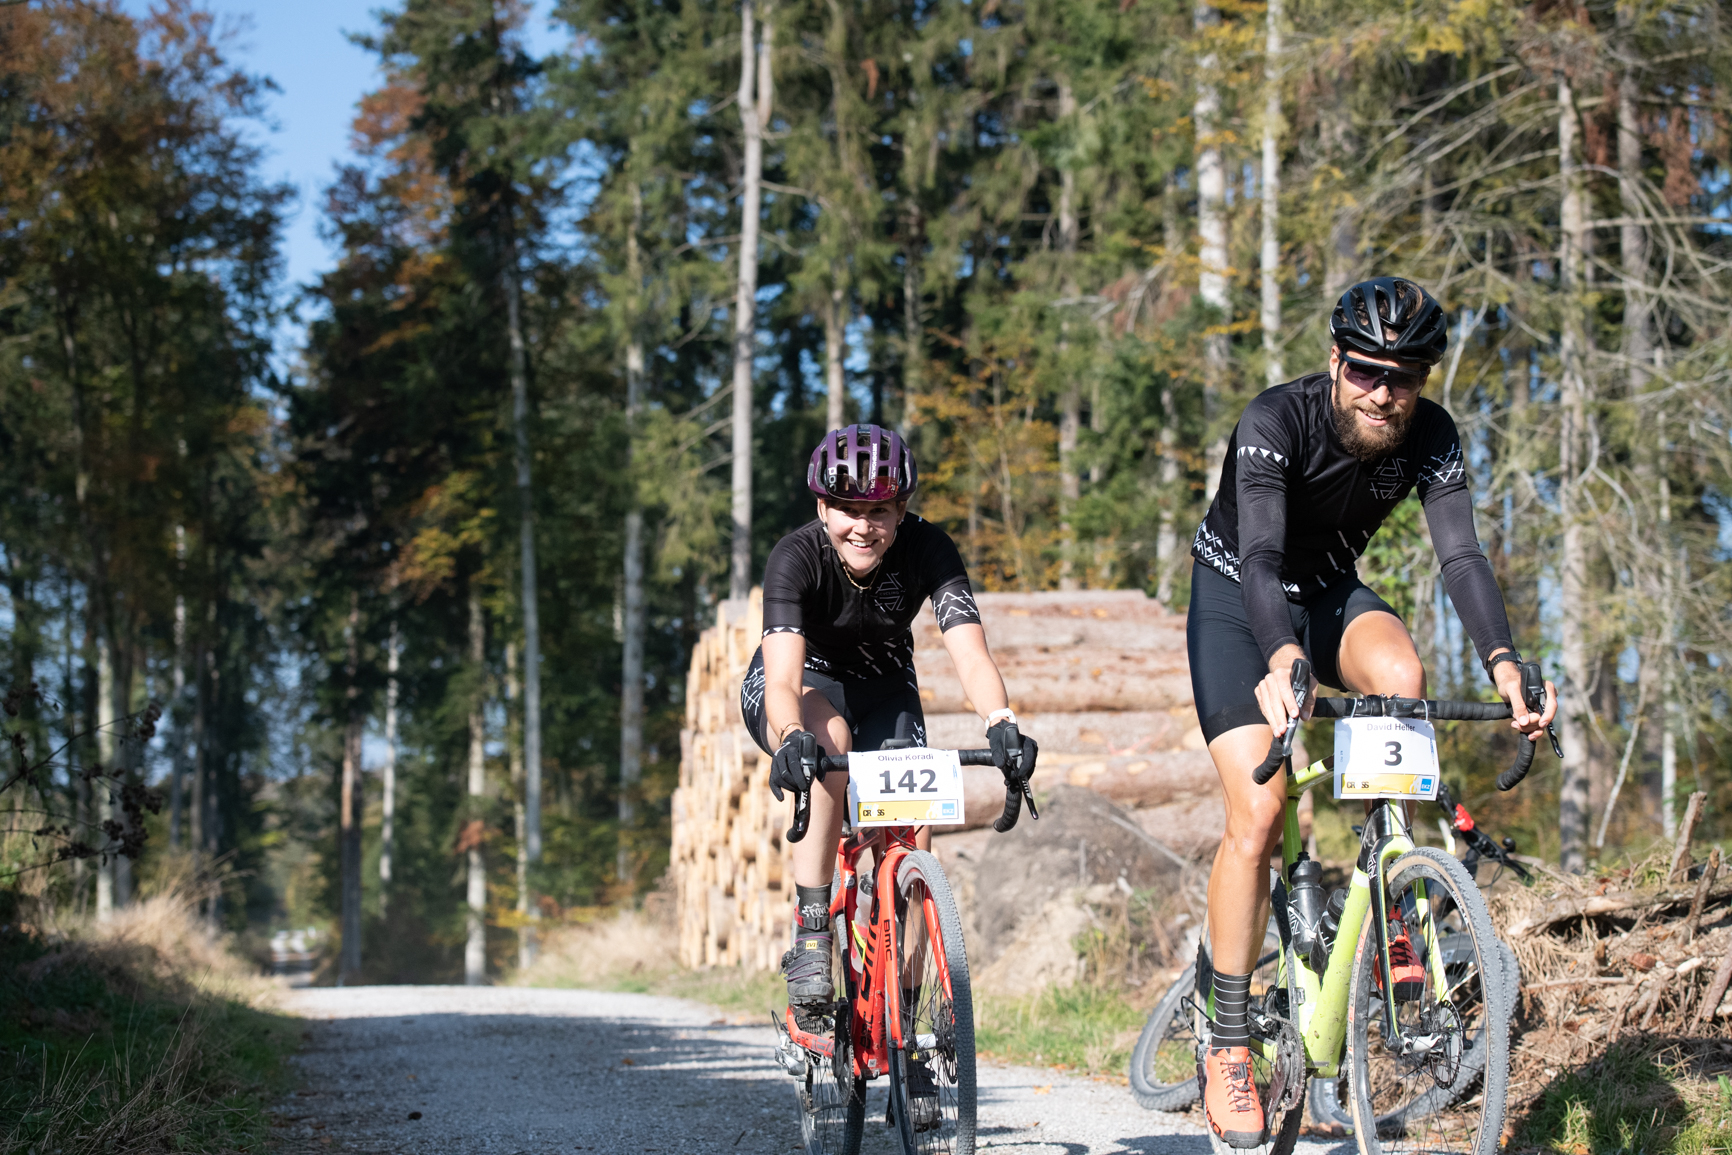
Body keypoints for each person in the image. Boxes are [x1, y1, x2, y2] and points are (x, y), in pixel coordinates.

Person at [1184, 277, 1558, 1147]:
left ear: (1424, 379)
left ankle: (1391, 889)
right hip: (1241, 601)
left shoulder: (1431, 435)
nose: (1384, 392)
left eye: (1405, 376)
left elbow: (1459, 555)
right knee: (1260, 808)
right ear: (1334, 362)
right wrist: (1283, 657)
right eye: (1365, 371)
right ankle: (1228, 1036)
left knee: (1401, 668)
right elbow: (1264, 554)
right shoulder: (1275, 420)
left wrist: (1503, 663)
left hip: (1326, 595)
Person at [741, 424, 1033, 1118]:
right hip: (796, 689)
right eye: (848, 509)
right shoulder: (795, 557)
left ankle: (905, 1038)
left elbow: (968, 651)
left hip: (884, 686)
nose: (863, 527)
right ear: (822, 510)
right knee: (828, 741)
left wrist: (1001, 721)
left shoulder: (930, 549)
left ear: (902, 512)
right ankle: (814, 930)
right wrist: (789, 735)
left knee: (913, 838)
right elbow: (781, 677)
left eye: (880, 511)